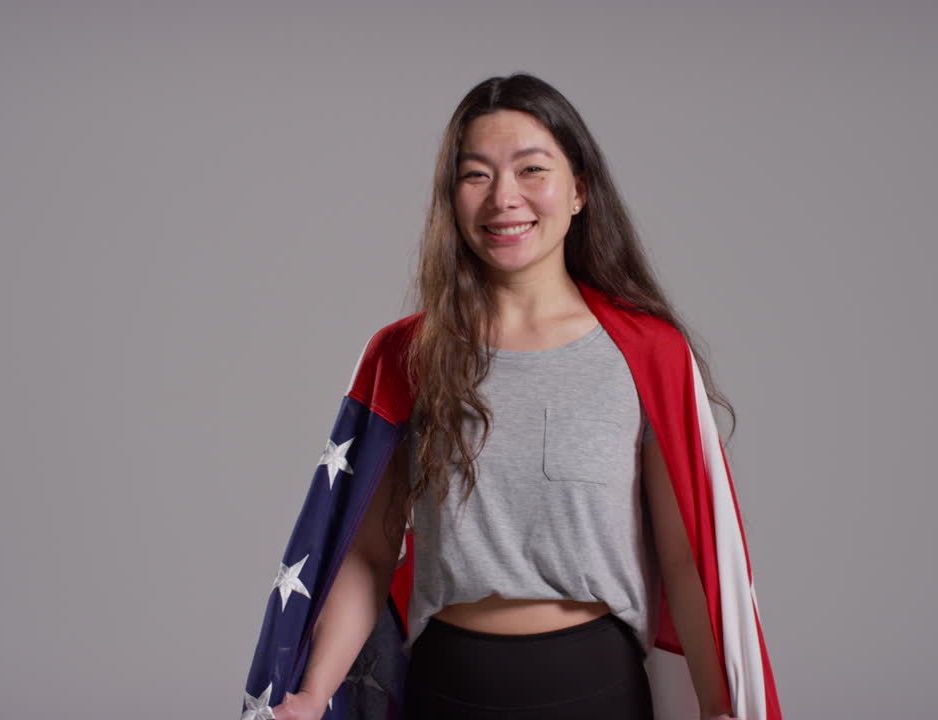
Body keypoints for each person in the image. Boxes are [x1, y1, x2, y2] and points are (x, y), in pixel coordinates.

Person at [251, 72, 779, 720]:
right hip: (445, 688)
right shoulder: (406, 354)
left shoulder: (647, 354)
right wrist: (309, 694)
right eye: (476, 175)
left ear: (580, 189)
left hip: (598, 690)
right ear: (452, 197)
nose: (505, 197)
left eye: (532, 169)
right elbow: (369, 552)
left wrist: (718, 704)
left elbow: (681, 554)